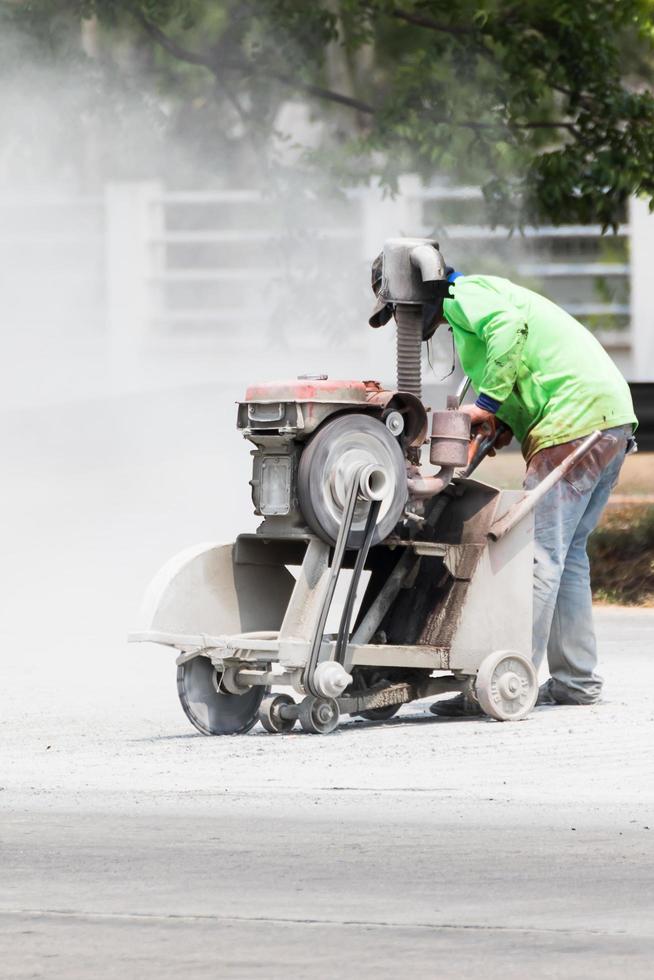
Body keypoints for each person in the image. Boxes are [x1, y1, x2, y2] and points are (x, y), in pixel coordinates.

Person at [370, 261, 638, 714]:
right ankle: (576, 681)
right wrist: (502, 418)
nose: (405, 323)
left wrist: (485, 406)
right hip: (607, 420)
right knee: (566, 556)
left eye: (403, 311)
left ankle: (509, 678)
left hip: (573, 424)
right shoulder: (478, 302)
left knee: (536, 556)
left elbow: (510, 330)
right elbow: (527, 357)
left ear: (425, 296)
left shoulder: (465, 296)